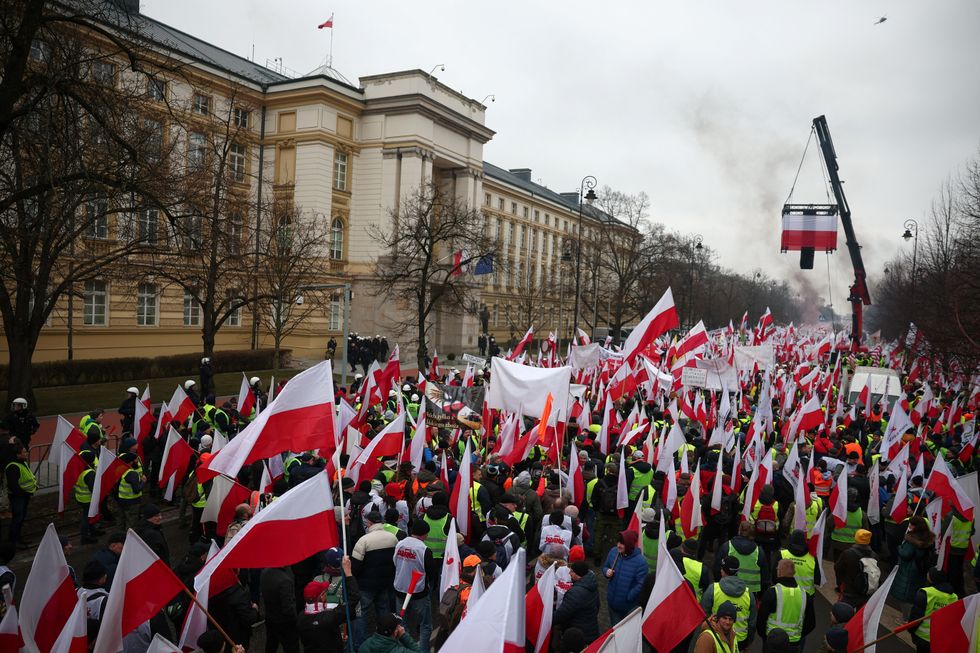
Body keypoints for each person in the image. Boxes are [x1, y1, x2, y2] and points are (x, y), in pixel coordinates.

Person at [351, 508, 398, 647]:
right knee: (383, 610)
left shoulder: (363, 541)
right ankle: (386, 638)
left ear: (369, 523)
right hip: (385, 582)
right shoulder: (392, 538)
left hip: (366, 585)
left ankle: (361, 644)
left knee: (361, 614)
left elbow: (355, 567)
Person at [299, 553, 359, 653]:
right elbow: (353, 600)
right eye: (324, 592)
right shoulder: (330, 617)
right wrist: (348, 573)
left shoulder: (301, 617)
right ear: (321, 597)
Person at [392, 520, 435, 651]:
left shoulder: (400, 544)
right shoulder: (424, 549)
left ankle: (406, 650)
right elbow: (431, 572)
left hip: (400, 589)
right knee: (425, 625)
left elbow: (395, 562)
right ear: (424, 534)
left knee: (402, 624)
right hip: (418, 592)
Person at [756, 559, 814, 651]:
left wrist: (765, 637)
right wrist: (798, 636)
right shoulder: (805, 595)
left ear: (779, 572)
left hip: (772, 642)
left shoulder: (772, 593)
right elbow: (811, 623)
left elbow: (761, 619)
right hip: (793, 643)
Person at [701, 556, 756, 649]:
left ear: (723, 571)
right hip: (740, 641)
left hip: (717, 638)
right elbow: (752, 623)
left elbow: (704, 615)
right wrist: (748, 642)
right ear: (737, 571)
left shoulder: (713, 589)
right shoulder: (748, 593)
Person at [601, 530, 648, 625]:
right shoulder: (614, 552)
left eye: (622, 543)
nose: (618, 545)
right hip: (612, 603)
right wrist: (607, 572)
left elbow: (641, 584)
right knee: (614, 629)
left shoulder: (640, 562)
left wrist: (629, 596)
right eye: (618, 542)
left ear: (629, 545)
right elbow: (605, 567)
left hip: (628, 607)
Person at [908, 567, 958, 653]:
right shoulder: (954, 597)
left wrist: (910, 628)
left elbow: (916, 616)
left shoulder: (925, 593)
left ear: (931, 578)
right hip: (940, 637)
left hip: (923, 636)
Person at [890, 515, 935, 609]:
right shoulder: (928, 537)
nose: (909, 526)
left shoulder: (912, 539)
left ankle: (906, 619)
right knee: (915, 592)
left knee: (906, 597)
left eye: (911, 524)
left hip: (909, 570)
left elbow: (905, 554)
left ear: (916, 526)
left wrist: (900, 547)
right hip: (921, 568)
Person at [715, 520, 769, 596]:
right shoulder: (759, 551)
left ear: (739, 530)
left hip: (727, 589)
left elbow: (717, 569)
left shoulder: (727, 547)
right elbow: (765, 577)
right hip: (750, 594)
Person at [553, 560, 600, 645]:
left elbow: (562, 614)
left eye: (571, 571)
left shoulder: (576, 592)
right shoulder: (592, 585)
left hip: (579, 635)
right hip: (591, 630)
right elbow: (597, 605)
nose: (569, 573)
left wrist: (546, 620)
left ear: (577, 575)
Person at [834, 529, 879, 608]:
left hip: (849, 591)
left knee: (843, 614)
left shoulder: (848, 554)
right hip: (865, 591)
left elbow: (838, 568)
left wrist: (840, 583)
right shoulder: (874, 556)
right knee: (860, 618)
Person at [5, 440, 36, 548]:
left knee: (21, 518)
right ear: (18, 454)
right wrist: (25, 493)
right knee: (17, 519)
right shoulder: (13, 466)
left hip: (24, 496)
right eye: (24, 452)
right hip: (18, 497)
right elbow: (14, 486)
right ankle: (13, 542)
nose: (26, 453)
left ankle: (18, 539)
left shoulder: (22, 463)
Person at [261, 565, 299, 653]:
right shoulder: (285, 581)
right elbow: (288, 609)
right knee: (291, 647)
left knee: (271, 645)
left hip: (270, 617)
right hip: (285, 622)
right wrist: (296, 620)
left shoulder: (264, 573)